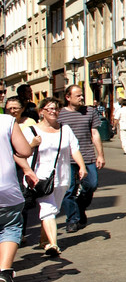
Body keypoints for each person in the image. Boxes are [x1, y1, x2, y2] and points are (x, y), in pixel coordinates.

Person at [23, 98, 88, 258]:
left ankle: (43, 240)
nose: (53, 111)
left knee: (53, 209)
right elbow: (21, 152)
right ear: (41, 112)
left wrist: (82, 166)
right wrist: (32, 144)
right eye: (50, 108)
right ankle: (53, 244)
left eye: (56, 108)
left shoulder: (65, 129)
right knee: (48, 210)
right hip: (39, 177)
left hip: (62, 176)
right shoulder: (31, 131)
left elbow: (74, 149)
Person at [1, 109, 38, 282]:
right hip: (5, 188)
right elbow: (24, 151)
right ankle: (5, 271)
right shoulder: (6, 121)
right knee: (10, 226)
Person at [58, 84, 105, 234]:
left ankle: (80, 206)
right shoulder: (60, 114)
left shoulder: (89, 111)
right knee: (69, 190)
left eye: (82, 95)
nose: (82, 98)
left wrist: (100, 155)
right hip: (66, 159)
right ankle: (72, 220)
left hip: (87, 155)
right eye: (78, 95)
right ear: (68, 97)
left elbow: (95, 133)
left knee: (91, 185)